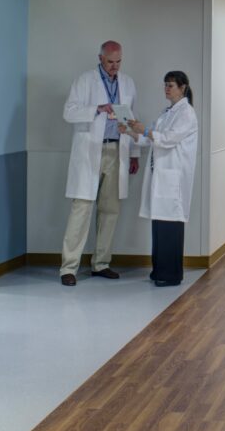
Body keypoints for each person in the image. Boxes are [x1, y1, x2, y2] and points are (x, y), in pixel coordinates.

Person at [59, 41, 139, 286]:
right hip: (90, 150)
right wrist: (97, 109)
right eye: (110, 62)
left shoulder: (127, 83)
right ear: (100, 58)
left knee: (110, 209)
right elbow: (69, 112)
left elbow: (132, 117)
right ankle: (68, 268)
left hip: (117, 149)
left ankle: (101, 263)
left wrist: (134, 153)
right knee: (81, 208)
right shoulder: (85, 80)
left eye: (118, 62)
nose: (114, 67)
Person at [124, 71, 198, 287]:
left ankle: (171, 275)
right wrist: (130, 132)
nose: (167, 89)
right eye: (165, 85)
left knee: (170, 227)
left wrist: (145, 130)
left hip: (173, 177)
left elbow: (167, 139)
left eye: (171, 85)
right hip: (161, 176)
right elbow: (150, 139)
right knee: (159, 226)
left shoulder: (186, 113)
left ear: (182, 88)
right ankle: (159, 271)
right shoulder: (167, 112)